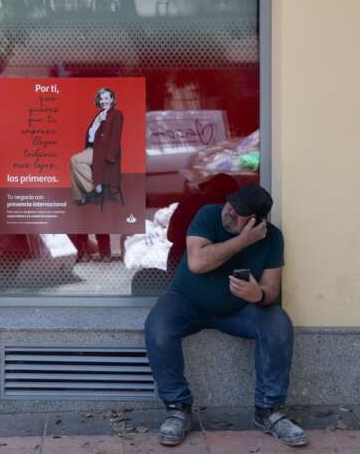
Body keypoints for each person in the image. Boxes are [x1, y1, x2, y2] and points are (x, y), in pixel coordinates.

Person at [144, 183, 307, 448]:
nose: (229, 211)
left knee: (278, 323)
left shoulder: (273, 238)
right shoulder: (209, 214)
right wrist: (242, 241)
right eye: (230, 203)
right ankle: (178, 409)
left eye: (239, 211)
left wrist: (259, 295)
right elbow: (197, 263)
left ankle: (269, 410)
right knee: (158, 326)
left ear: (255, 221)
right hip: (185, 301)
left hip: (238, 311)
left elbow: (272, 289)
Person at [69, 87, 123, 260]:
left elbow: (114, 141)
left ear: (113, 99)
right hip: (92, 154)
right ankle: (83, 250)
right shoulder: (98, 116)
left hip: (102, 156)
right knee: (83, 206)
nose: (104, 101)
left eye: (107, 98)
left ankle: (104, 251)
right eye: (102, 98)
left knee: (97, 210)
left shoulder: (115, 115)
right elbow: (89, 139)